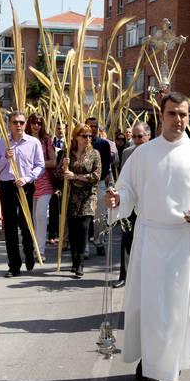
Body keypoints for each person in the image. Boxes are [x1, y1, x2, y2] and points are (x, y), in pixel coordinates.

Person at [105, 92, 190, 381]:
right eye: (173, 113)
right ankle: (150, 362)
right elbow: (127, 190)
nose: (179, 119)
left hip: (184, 241)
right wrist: (117, 199)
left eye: (184, 114)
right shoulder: (143, 155)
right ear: (162, 115)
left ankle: (171, 374)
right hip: (151, 238)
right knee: (149, 306)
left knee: (176, 310)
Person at [0, 111, 45, 278]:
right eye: (15, 122)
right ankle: (14, 265)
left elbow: (40, 165)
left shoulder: (33, 143)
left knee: (26, 223)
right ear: (9, 124)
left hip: (25, 186)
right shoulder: (2, 143)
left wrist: (27, 178)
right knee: (10, 227)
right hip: (7, 186)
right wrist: (5, 158)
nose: (19, 125)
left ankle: (29, 253)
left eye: (21, 122)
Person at [112, 121, 151, 289]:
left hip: (150, 205)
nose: (136, 140)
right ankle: (124, 275)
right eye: (134, 136)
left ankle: (146, 276)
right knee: (127, 238)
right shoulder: (128, 153)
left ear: (148, 136)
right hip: (130, 202)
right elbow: (124, 180)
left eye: (140, 136)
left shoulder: (156, 153)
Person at [62, 123, 101, 277]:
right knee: (73, 231)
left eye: (90, 135)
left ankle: (80, 264)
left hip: (88, 196)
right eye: (84, 136)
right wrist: (64, 167)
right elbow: (59, 175)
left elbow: (96, 176)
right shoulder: (68, 154)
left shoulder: (94, 154)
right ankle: (74, 261)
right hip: (72, 196)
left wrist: (76, 176)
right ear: (76, 137)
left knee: (84, 228)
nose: (88, 138)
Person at [27, 113, 56, 262]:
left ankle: (40, 250)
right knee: (32, 217)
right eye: (34, 122)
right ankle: (34, 247)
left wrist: (38, 164)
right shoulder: (24, 140)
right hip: (28, 184)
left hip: (44, 183)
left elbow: (53, 162)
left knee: (41, 215)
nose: (36, 125)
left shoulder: (46, 141)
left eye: (39, 123)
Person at [85, 117, 112, 256]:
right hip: (83, 183)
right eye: (91, 126)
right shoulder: (81, 143)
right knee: (84, 217)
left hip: (99, 183)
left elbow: (107, 164)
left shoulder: (103, 144)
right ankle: (85, 247)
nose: (93, 129)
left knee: (100, 214)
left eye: (95, 126)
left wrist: (97, 175)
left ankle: (98, 240)